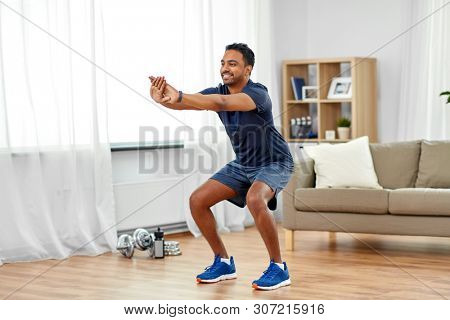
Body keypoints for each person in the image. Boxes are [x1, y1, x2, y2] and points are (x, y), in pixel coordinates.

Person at [149, 43, 294, 290]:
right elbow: (190, 102)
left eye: (232, 64)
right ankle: (224, 262)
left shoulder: (258, 94)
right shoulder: (217, 91)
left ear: (247, 70)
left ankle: (278, 268)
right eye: (223, 63)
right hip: (243, 164)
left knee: (255, 199)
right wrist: (163, 100)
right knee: (197, 200)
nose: (225, 68)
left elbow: (220, 102)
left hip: (274, 161)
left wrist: (180, 95)